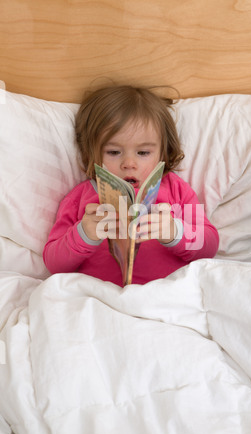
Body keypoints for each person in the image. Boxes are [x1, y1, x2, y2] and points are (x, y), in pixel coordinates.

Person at [43, 85, 219, 287]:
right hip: (101, 298)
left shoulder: (177, 190)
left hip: (166, 294)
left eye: (143, 153)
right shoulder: (80, 197)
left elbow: (210, 246)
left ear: (163, 152)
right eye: (114, 152)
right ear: (91, 153)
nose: (129, 163)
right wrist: (84, 233)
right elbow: (53, 263)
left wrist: (175, 231)